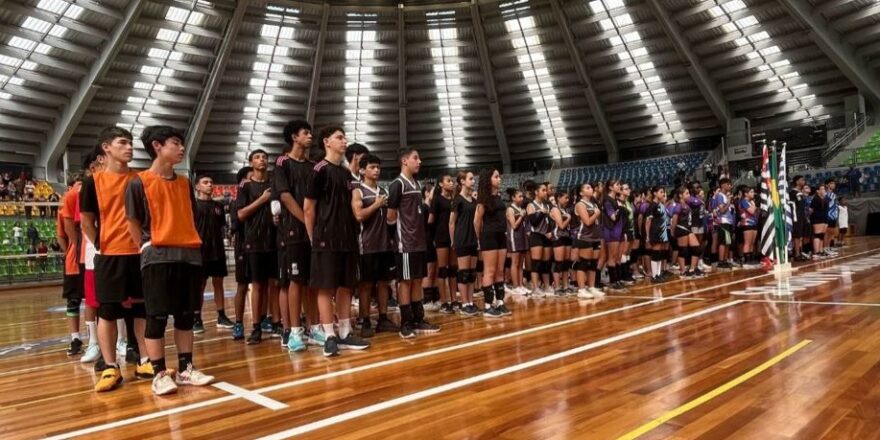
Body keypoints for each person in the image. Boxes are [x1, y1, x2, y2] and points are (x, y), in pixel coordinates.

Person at [125, 125, 214, 395]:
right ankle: (159, 373)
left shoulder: (186, 184)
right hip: (158, 257)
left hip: (188, 256)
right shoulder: (138, 182)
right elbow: (132, 223)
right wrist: (147, 247)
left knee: (186, 315)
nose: (181, 148)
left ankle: (186, 368)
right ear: (157, 146)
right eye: (175, 143)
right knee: (157, 318)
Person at [80, 127, 150, 392]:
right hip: (110, 255)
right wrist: (100, 243)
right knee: (107, 312)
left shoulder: (140, 179)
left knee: (143, 309)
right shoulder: (93, 182)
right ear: (106, 148)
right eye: (123, 142)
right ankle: (111, 367)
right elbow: (87, 222)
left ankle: (146, 360)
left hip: (140, 254)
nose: (129, 147)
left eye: (131, 143)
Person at [304, 126, 370, 357]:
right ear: (326, 142)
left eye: (344, 138)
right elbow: (309, 208)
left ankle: (345, 332)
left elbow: (354, 205)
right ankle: (329, 335)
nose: (344, 142)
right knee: (325, 286)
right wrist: (313, 237)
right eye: (339, 138)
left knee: (345, 285)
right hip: (325, 239)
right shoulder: (319, 169)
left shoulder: (346, 174)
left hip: (347, 238)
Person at [274, 120, 322, 351]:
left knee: (312, 282)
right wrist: (306, 220)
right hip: (293, 231)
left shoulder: (313, 166)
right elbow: (284, 196)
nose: (310, 136)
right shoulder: (282, 163)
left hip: (313, 232)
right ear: (294, 137)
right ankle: (294, 331)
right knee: (295, 281)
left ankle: (314, 328)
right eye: (305, 133)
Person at [388, 148, 439, 337]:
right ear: (404, 161)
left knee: (417, 280)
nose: (420, 161)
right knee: (405, 282)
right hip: (406, 244)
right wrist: (400, 237)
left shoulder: (416, 184)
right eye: (415, 158)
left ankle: (418, 319)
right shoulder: (397, 184)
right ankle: (406, 322)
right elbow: (391, 216)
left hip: (419, 242)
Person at [352, 154, 398, 337]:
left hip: (385, 244)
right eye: (372, 167)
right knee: (366, 285)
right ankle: (364, 320)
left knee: (384, 283)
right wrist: (376, 205)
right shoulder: (358, 191)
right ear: (362, 170)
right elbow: (358, 216)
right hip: (367, 245)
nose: (376, 170)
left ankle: (383, 318)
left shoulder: (384, 191)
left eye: (378, 167)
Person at [194, 175, 234, 332]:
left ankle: (221, 316)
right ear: (197, 187)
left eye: (211, 182)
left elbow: (222, 228)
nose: (209, 185)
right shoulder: (194, 206)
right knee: (200, 285)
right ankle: (197, 318)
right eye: (205, 182)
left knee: (219, 283)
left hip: (217, 251)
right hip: (200, 252)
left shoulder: (218, 206)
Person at [474, 168, 510, 318]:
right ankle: (488, 306)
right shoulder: (483, 199)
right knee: (489, 270)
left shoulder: (499, 197)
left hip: (501, 235)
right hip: (488, 236)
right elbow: (477, 221)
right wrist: (478, 239)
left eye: (499, 176)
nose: (499, 179)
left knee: (500, 271)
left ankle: (500, 302)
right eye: (496, 177)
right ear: (488, 180)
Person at [59, 174, 84, 356]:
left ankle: (76, 338)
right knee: (90, 301)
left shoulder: (65, 204)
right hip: (78, 259)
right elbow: (62, 234)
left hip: (76, 259)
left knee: (74, 301)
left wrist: (70, 248)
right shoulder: (66, 206)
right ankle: (84, 339)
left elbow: (61, 237)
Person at [450, 171, 479, 315]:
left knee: (472, 274)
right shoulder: (457, 200)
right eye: (470, 179)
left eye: (473, 179)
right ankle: (464, 303)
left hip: (473, 239)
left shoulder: (474, 201)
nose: (473, 181)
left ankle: (471, 301)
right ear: (462, 181)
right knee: (463, 273)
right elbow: (451, 222)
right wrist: (453, 241)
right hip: (462, 239)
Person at [230, 166, 253, 341]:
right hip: (244, 246)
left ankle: (264, 319)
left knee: (264, 285)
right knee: (243, 286)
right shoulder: (237, 199)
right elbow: (237, 222)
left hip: (263, 245)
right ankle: (238, 323)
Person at [429, 175, 457, 313]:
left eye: (452, 181)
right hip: (441, 237)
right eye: (448, 181)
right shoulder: (437, 199)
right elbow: (430, 220)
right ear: (441, 184)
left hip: (453, 237)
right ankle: (444, 302)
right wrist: (433, 237)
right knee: (442, 270)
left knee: (453, 270)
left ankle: (454, 300)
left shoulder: (454, 200)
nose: (451, 183)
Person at [574, 183, 603, 297]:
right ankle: (581, 289)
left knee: (593, 264)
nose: (590, 189)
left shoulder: (593, 203)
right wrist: (596, 214)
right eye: (587, 188)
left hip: (595, 236)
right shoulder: (580, 204)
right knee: (584, 263)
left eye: (591, 187)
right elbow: (587, 222)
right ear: (581, 193)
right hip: (585, 236)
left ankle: (591, 287)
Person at [526, 182, 553, 296]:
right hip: (536, 235)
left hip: (546, 235)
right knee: (536, 263)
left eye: (546, 190)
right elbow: (534, 222)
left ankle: (546, 286)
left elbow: (550, 221)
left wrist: (550, 231)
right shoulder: (531, 206)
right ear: (536, 192)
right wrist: (541, 213)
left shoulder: (546, 205)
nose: (545, 192)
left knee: (546, 263)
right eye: (543, 190)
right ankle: (535, 287)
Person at [549, 189, 573, 295]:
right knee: (558, 263)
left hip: (567, 237)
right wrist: (569, 218)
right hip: (558, 236)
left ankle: (566, 285)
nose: (567, 200)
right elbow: (561, 225)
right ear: (558, 198)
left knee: (566, 263)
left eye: (568, 198)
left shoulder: (565, 210)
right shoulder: (555, 209)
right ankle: (557, 287)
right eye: (565, 198)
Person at [645, 186, 671, 284]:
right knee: (656, 253)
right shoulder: (652, 205)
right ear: (655, 193)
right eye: (661, 192)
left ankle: (658, 274)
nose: (663, 194)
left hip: (663, 232)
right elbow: (648, 221)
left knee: (660, 254)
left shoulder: (661, 205)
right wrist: (647, 236)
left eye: (664, 192)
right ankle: (654, 275)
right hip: (655, 232)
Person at [505, 189, 528, 295]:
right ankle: (515, 286)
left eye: (522, 196)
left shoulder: (521, 208)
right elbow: (514, 226)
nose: (522, 198)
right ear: (513, 198)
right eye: (519, 196)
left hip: (522, 237)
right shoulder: (510, 209)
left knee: (521, 263)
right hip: (514, 237)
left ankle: (520, 285)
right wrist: (522, 216)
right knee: (515, 263)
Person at [712, 178, 734, 269]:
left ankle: (725, 260)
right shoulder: (719, 196)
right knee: (722, 242)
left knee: (727, 242)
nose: (730, 186)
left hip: (728, 221)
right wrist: (729, 202)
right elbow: (722, 210)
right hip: (723, 221)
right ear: (723, 185)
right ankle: (721, 261)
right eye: (728, 184)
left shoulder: (725, 196)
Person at [810, 184, 829, 259]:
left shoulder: (825, 198)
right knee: (817, 235)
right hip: (817, 219)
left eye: (824, 189)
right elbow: (811, 210)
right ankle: (816, 252)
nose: (823, 190)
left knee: (821, 235)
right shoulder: (815, 199)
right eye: (822, 189)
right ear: (817, 190)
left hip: (824, 218)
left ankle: (821, 251)